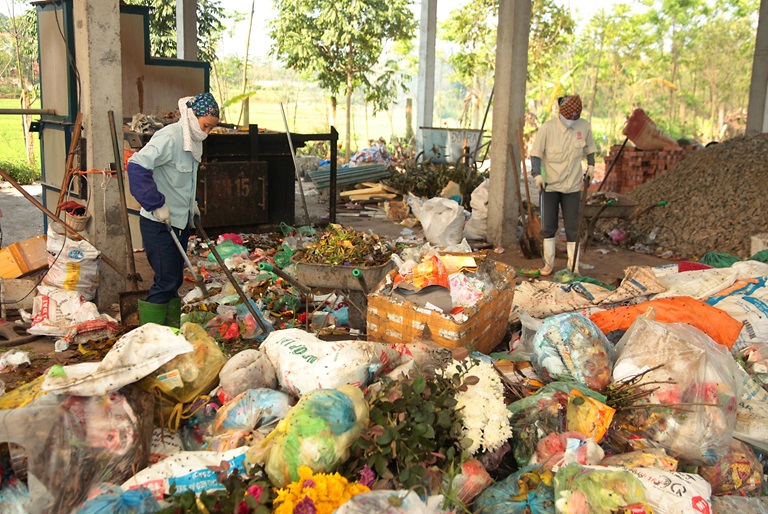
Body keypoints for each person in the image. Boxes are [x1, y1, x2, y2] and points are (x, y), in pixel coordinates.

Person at [127, 92, 219, 326]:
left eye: (211, 129)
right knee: (166, 279)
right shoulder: (170, 137)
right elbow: (136, 166)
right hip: (159, 222)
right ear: (193, 115)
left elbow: (183, 179)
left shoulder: (194, 140)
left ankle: (170, 331)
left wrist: (193, 203)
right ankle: (151, 335)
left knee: (175, 278)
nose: (207, 133)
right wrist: (155, 203)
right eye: (206, 126)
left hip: (180, 221)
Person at [529, 94, 596, 276]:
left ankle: (573, 266)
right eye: (568, 118)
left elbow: (590, 148)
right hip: (549, 186)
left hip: (573, 186)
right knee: (549, 226)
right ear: (561, 113)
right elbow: (536, 154)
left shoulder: (584, 126)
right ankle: (548, 264)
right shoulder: (547, 129)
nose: (571, 122)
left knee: (573, 226)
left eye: (575, 118)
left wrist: (591, 165)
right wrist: (537, 174)